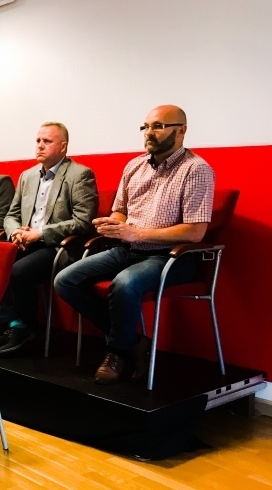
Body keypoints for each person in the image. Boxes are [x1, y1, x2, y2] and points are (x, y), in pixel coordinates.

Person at [55, 105, 214, 384]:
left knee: (125, 283)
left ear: (181, 130)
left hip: (171, 257)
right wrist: (114, 224)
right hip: (127, 249)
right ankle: (133, 342)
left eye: (158, 126)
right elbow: (121, 212)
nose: (149, 133)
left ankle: (117, 351)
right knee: (65, 280)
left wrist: (138, 233)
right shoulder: (134, 166)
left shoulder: (196, 169)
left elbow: (195, 232)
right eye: (146, 127)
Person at [0, 122, 98, 356]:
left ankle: (27, 328)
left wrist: (39, 233)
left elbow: (83, 221)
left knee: (19, 272)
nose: (40, 146)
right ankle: (9, 324)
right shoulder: (27, 176)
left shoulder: (80, 174)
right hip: (25, 242)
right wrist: (15, 232)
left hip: (58, 246)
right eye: (38, 141)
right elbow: (11, 215)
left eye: (47, 141)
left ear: (63, 147)